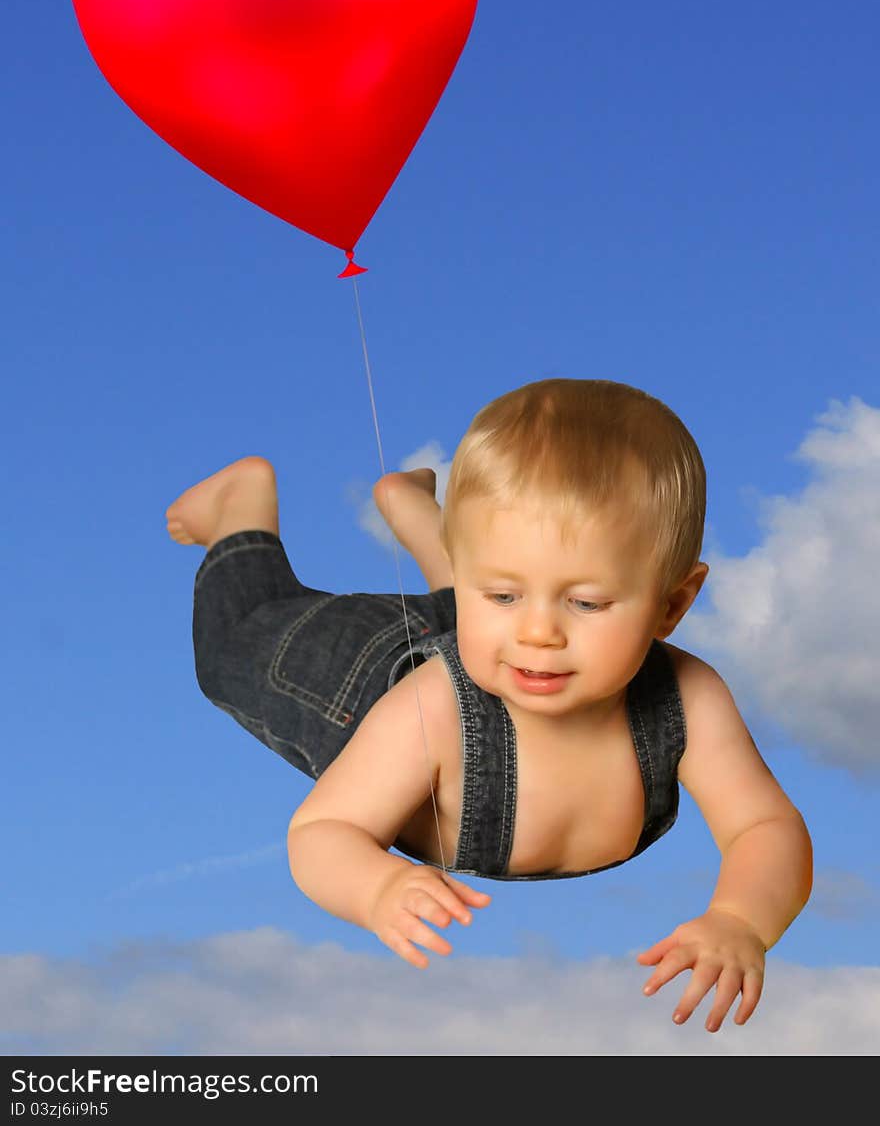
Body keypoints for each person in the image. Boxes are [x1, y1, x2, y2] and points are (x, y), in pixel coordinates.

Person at [166, 378, 812, 1032]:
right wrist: (376, 886)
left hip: (472, 635)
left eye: (584, 603)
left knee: (486, 615)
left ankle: (422, 521)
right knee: (233, 650)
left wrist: (739, 919)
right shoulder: (432, 709)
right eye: (502, 595)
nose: (540, 632)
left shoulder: (690, 699)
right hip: (363, 676)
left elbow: (766, 828)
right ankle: (239, 512)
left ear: (672, 604)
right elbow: (322, 833)